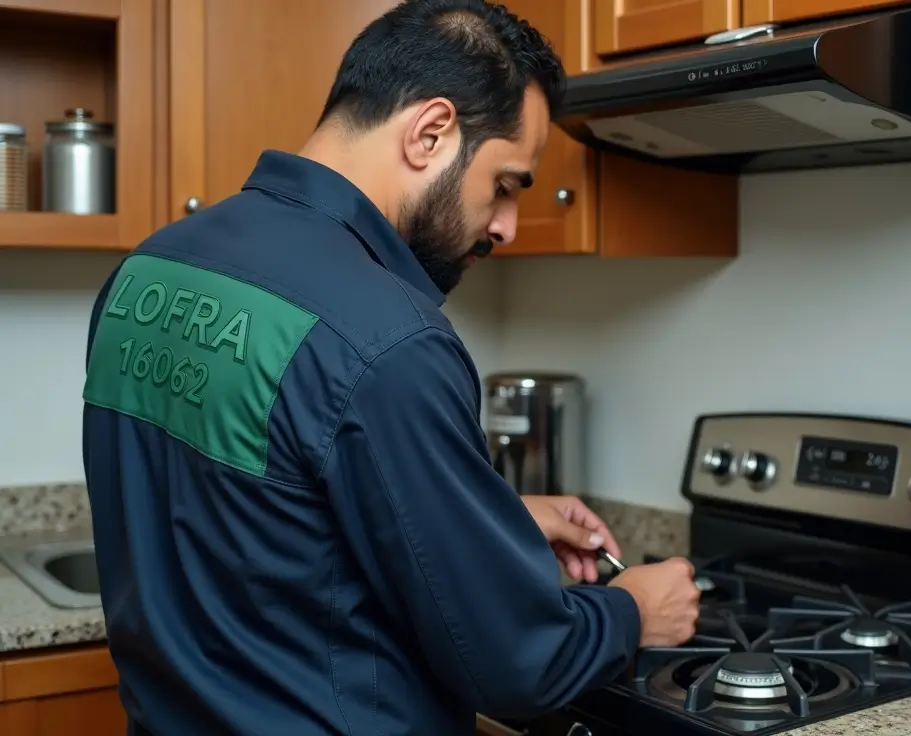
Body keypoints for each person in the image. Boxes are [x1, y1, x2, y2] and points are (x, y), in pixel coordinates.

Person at [80, 1, 701, 734]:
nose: (506, 225)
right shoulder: (390, 339)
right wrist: (634, 610)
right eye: (505, 185)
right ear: (430, 132)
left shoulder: (149, 270)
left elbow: (255, 516)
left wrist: (482, 519)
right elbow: (518, 663)